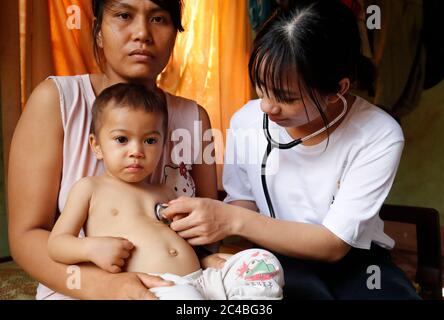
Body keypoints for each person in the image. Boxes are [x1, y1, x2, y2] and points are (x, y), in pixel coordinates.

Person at [162, 0, 421, 300]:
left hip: (356, 261)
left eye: (286, 97)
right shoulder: (247, 121)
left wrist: (231, 220)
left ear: (338, 90)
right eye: (261, 86)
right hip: (274, 254)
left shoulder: (379, 134)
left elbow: (334, 244)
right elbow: (244, 203)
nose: (267, 106)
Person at [8, 0, 218, 300]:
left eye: (159, 19)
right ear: (97, 31)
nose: (142, 33)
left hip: (184, 286)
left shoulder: (194, 117)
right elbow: (25, 236)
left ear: (175, 33)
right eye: (123, 15)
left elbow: (205, 232)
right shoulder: (57, 101)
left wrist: (207, 263)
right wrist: (106, 286)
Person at [47, 83, 284, 300]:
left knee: (261, 263)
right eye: (122, 139)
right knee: (186, 300)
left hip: (202, 278)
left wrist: (204, 258)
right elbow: (57, 244)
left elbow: (182, 238)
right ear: (96, 145)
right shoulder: (90, 188)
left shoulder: (163, 190)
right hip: (159, 287)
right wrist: (91, 248)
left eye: (149, 141)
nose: (136, 151)